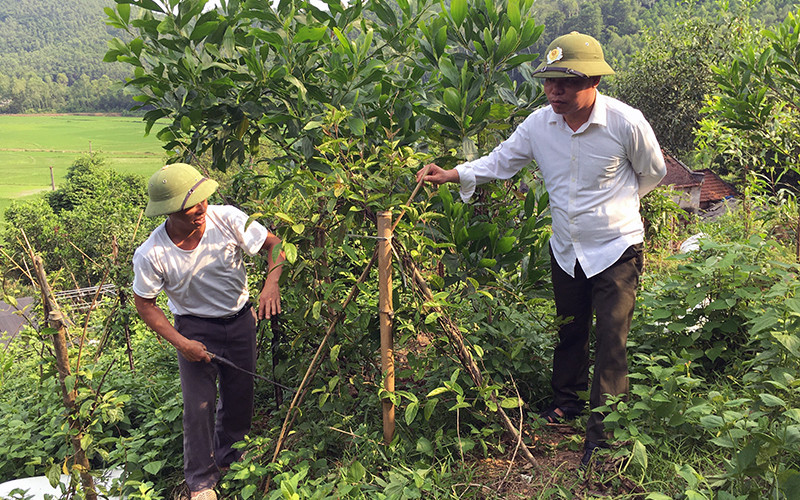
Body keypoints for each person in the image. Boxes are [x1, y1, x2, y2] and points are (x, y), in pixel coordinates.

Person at [416, 32, 666, 468]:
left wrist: (618, 210)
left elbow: (653, 172)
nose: (555, 91)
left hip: (615, 249)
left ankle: (603, 437)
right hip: (566, 247)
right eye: (549, 82)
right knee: (569, 329)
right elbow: (501, 161)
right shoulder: (538, 124)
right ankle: (565, 404)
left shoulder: (626, 123)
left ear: (593, 81)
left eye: (566, 82)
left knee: (611, 339)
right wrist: (452, 173)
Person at [132, 163, 285, 499]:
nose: (200, 209)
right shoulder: (152, 253)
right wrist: (183, 343)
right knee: (198, 406)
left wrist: (270, 283)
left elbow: (275, 247)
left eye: (202, 200)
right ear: (170, 212)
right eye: (190, 207)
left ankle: (233, 455)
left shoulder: (228, 218)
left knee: (240, 395)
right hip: (194, 327)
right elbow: (145, 304)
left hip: (241, 319)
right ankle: (200, 480)